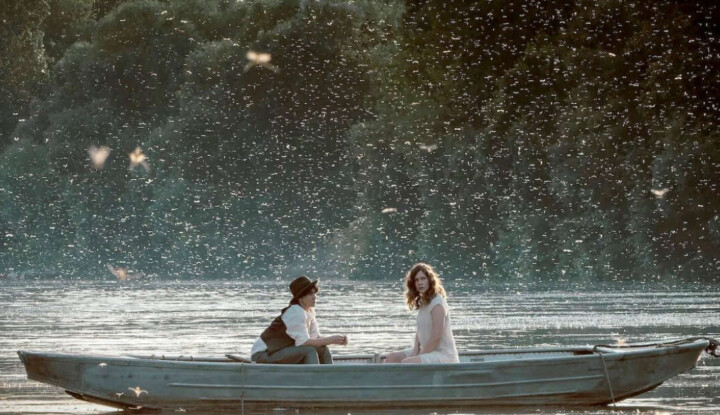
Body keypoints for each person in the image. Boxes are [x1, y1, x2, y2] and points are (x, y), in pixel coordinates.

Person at [250, 275, 348, 364]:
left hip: (279, 351)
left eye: (315, 293)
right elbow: (304, 342)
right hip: (263, 355)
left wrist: (338, 339)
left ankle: (331, 374)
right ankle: (315, 376)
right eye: (310, 294)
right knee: (309, 350)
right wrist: (331, 340)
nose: (314, 297)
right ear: (300, 298)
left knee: (322, 348)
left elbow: (315, 338)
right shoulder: (296, 312)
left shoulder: (309, 311)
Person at [384, 263, 459, 364]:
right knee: (391, 358)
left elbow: (438, 335)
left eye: (423, 279)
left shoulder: (437, 303)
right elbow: (420, 331)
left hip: (444, 355)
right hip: (428, 351)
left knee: (407, 363)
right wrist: (415, 351)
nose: (420, 283)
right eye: (416, 280)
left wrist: (420, 355)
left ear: (430, 280)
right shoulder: (424, 302)